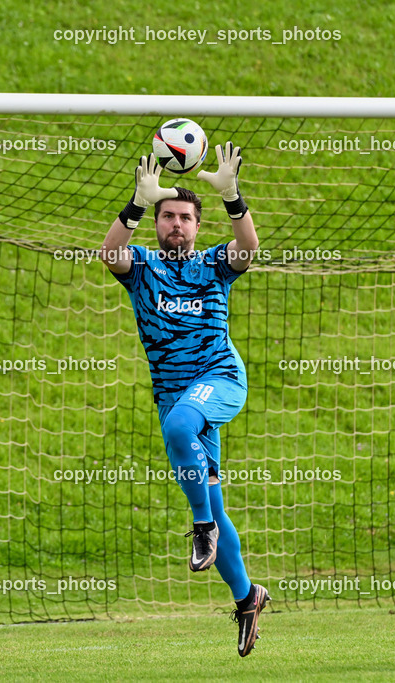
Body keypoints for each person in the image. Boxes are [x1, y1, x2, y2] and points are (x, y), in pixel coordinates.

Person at [100, 144, 268, 657]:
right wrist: (134, 204)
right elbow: (110, 253)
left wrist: (233, 198)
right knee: (213, 497)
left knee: (178, 433)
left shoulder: (215, 264)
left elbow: (248, 247)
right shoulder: (144, 268)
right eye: (168, 216)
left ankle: (200, 528)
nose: (177, 224)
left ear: (198, 226)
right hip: (173, 392)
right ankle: (247, 598)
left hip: (218, 379)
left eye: (185, 218)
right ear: (157, 223)